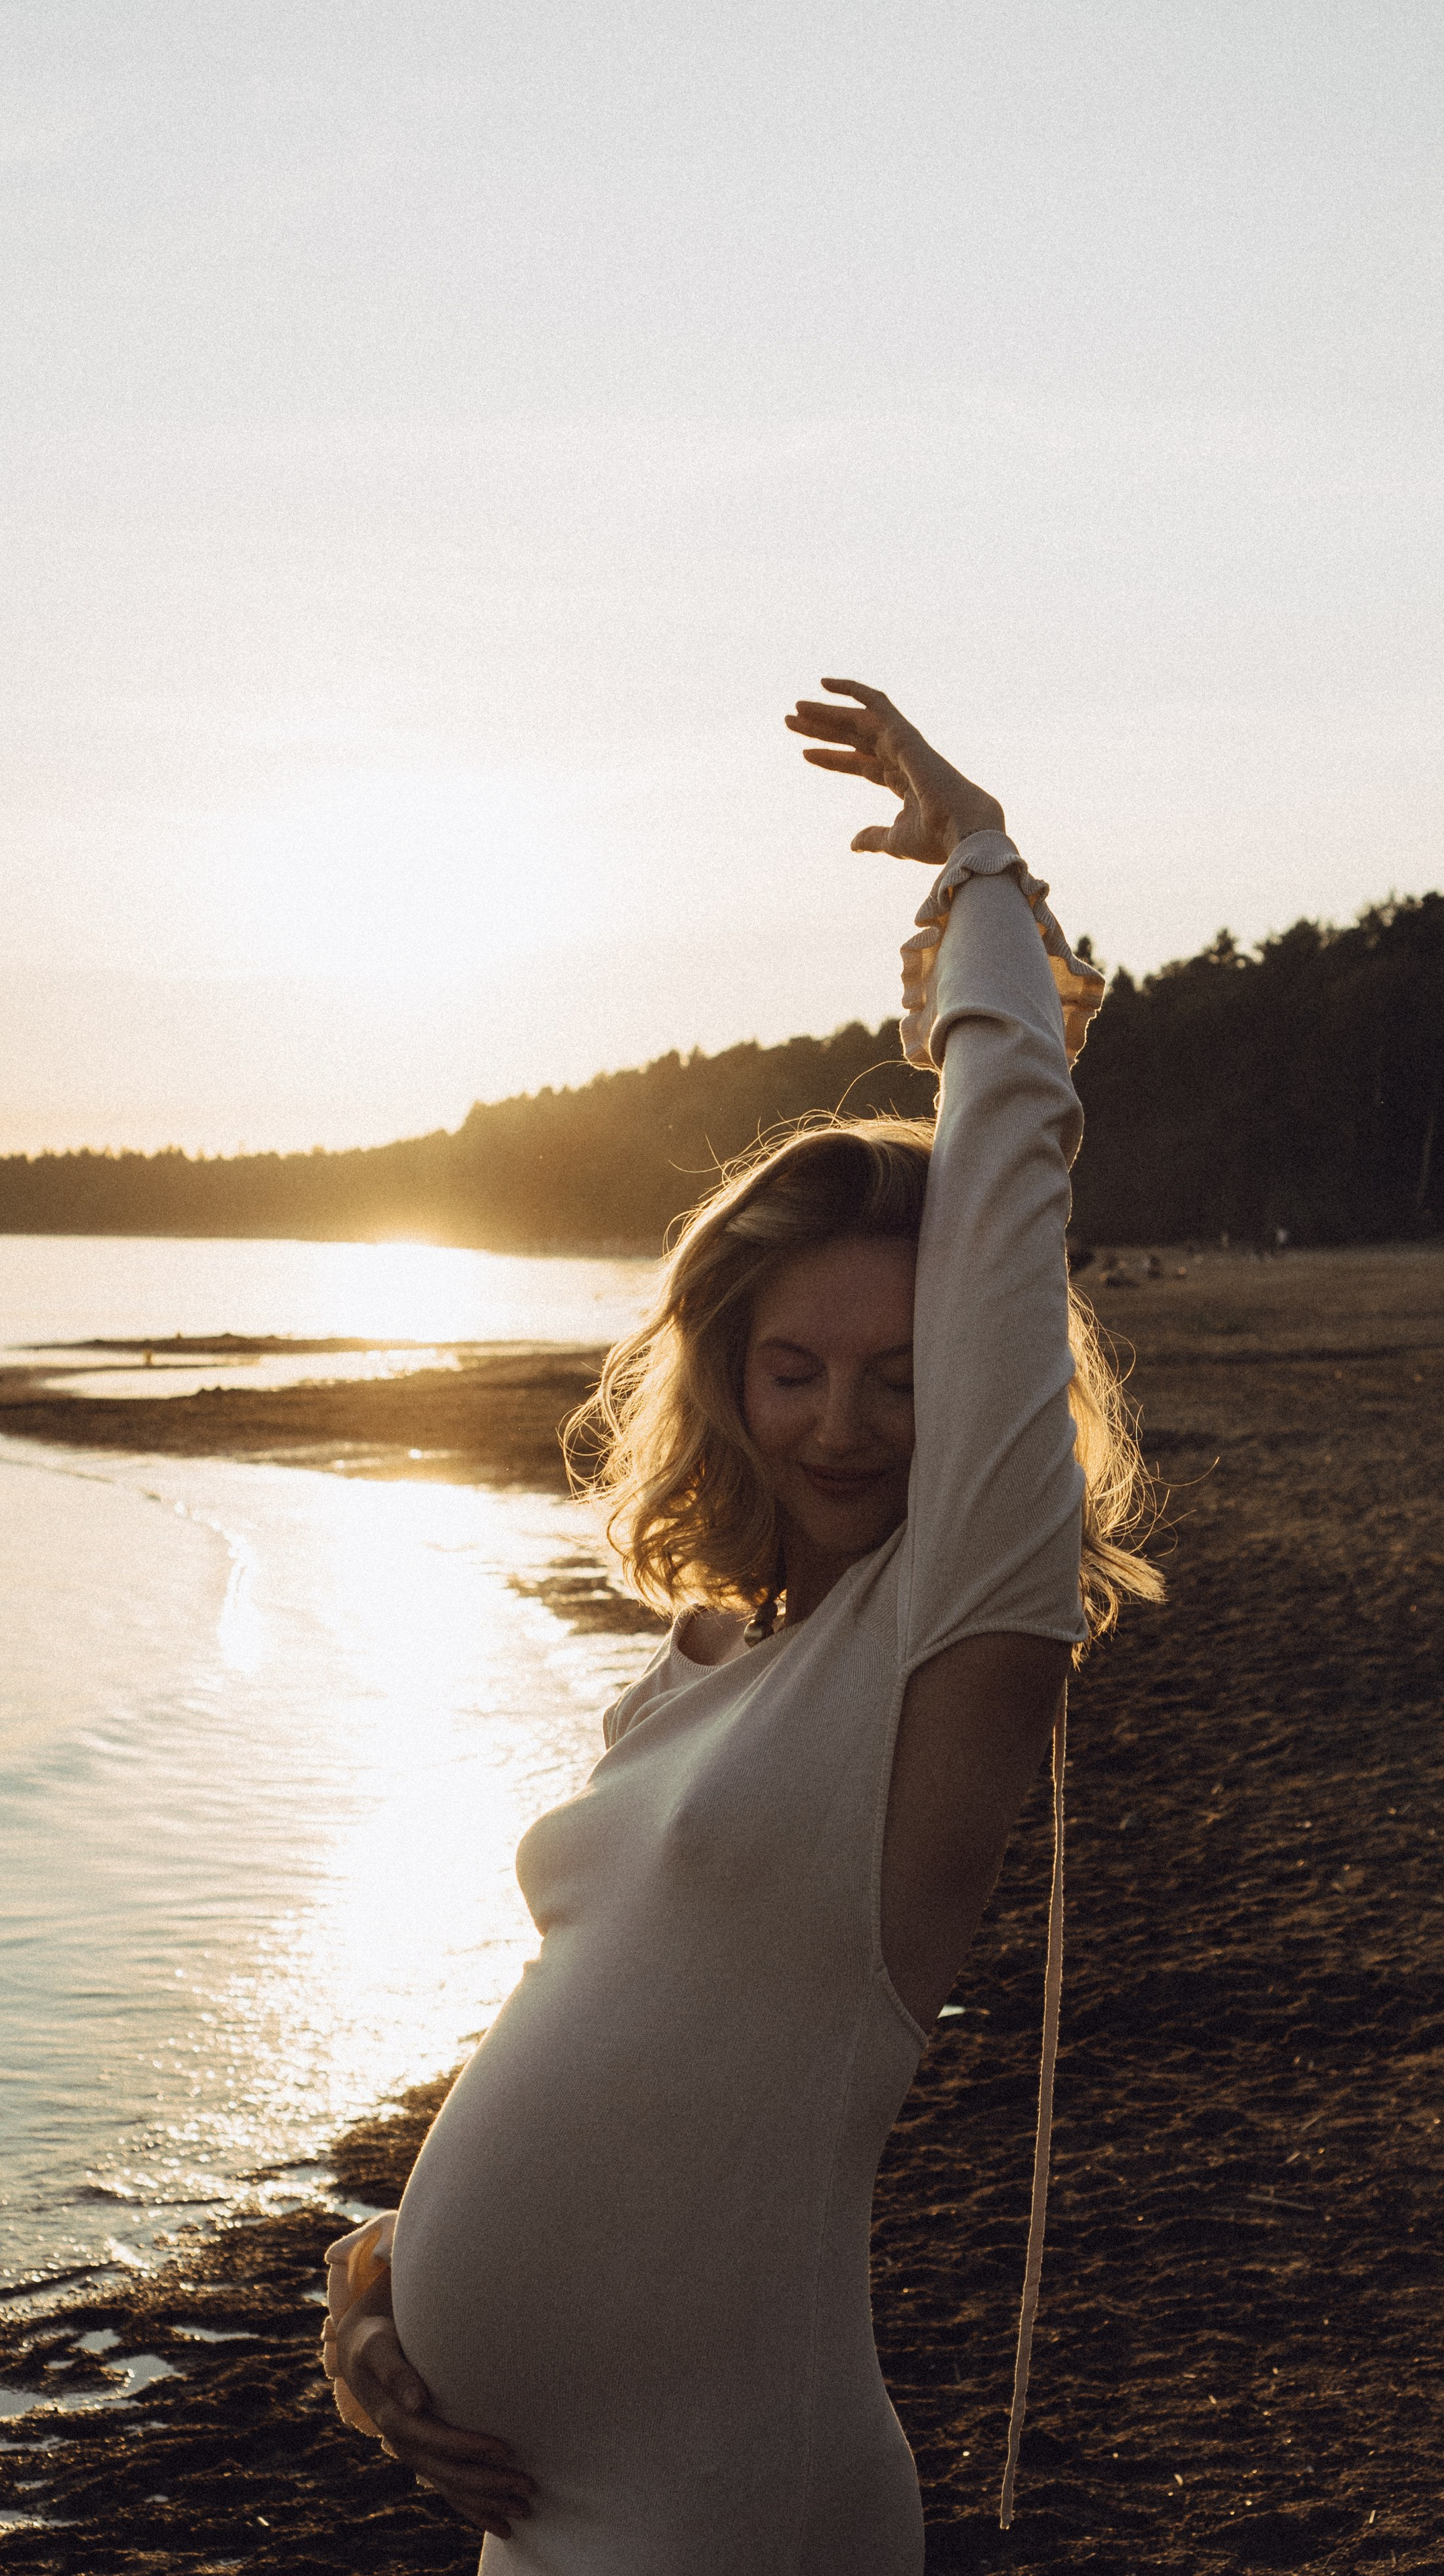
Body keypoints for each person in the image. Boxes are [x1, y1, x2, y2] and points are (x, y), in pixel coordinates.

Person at [322, 682, 1162, 2569]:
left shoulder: (950, 1637)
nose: (844, 1423)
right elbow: (602, 2018)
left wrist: (988, 877)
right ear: (726, 1377)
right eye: (792, 1368)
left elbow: (1015, 1186)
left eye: (896, 1375)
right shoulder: (700, 1670)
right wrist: (376, 2276)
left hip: (728, 2506)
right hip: (532, 2511)